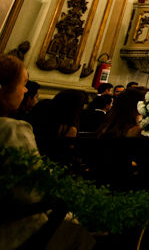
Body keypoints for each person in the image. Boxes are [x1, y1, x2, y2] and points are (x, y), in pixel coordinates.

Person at [0, 54, 94, 250]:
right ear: (4, 89)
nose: (26, 90)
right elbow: (33, 191)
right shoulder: (10, 129)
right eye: (23, 83)